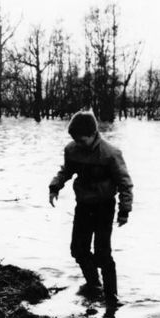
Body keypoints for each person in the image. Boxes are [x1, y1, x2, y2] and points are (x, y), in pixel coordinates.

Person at [48, 110, 133, 307]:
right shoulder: (72, 150)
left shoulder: (110, 154)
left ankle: (111, 298)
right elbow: (66, 171)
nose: (78, 143)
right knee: (78, 250)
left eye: (81, 139)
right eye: (75, 139)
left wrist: (124, 211)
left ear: (93, 134)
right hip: (83, 206)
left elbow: (125, 184)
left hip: (104, 207)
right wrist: (54, 187)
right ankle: (94, 285)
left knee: (103, 253)